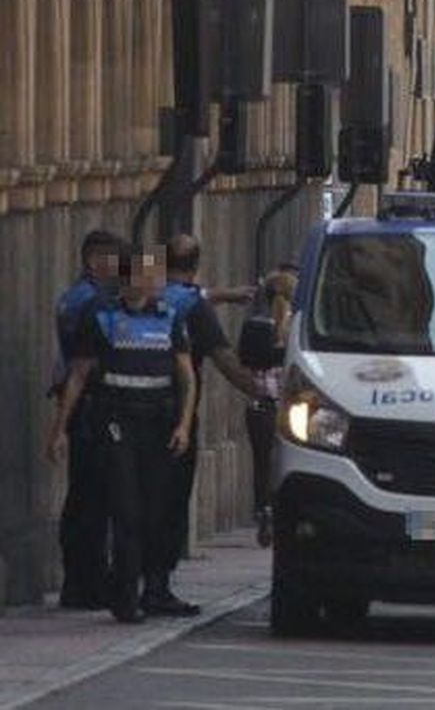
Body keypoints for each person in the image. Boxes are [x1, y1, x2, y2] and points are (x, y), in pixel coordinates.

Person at [47, 246, 197, 623]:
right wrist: (60, 429)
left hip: (159, 426)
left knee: (154, 512)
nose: (151, 282)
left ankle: (147, 587)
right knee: (126, 511)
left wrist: (183, 424)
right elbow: (78, 374)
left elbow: (186, 376)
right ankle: (126, 597)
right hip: (117, 424)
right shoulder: (101, 316)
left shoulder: (169, 317)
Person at [157, 235, 263, 615]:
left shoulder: (141, 295)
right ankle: (157, 586)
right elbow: (225, 361)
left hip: (127, 414)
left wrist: (226, 294)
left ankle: (108, 581)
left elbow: (188, 293)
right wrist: (263, 390)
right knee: (168, 502)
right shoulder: (194, 309)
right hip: (176, 418)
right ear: (197, 265)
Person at [50, 230, 125, 610]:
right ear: (95, 260)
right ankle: (88, 582)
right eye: (114, 260)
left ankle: (82, 580)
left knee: (84, 498)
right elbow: (83, 366)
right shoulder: (94, 304)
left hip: (79, 405)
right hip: (90, 406)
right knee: (95, 500)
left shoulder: (73, 297)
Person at [243, 264, 297, 546]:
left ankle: (264, 510)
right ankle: (283, 513)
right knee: (287, 464)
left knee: (262, 464)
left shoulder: (254, 326)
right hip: (288, 408)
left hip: (259, 405)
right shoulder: (296, 329)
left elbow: (244, 360)